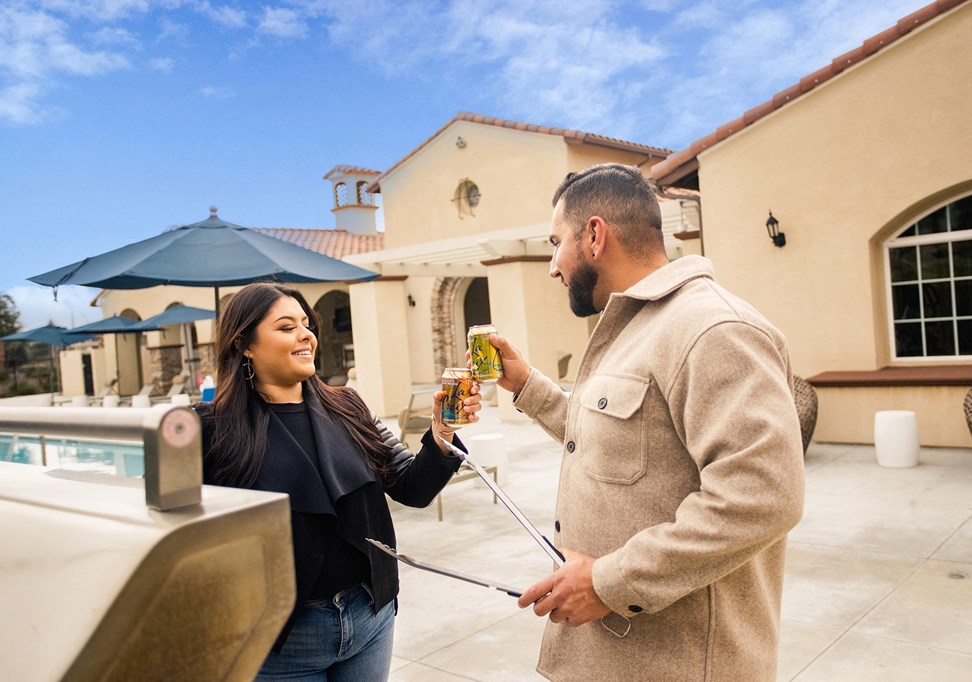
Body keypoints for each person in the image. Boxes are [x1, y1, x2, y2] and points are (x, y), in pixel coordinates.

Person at [488, 163, 805, 681]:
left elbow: (763, 496)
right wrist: (526, 386)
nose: (552, 265)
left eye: (555, 242)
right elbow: (619, 442)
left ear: (594, 235)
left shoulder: (713, 329)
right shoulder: (635, 326)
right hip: (617, 659)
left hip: (678, 665)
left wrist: (608, 582)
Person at [195, 282, 478, 681]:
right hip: (281, 640)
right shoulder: (211, 429)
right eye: (286, 326)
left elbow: (412, 488)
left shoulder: (350, 407)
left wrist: (442, 430)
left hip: (371, 618)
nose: (305, 334)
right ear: (244, 343)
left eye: (306, 324)